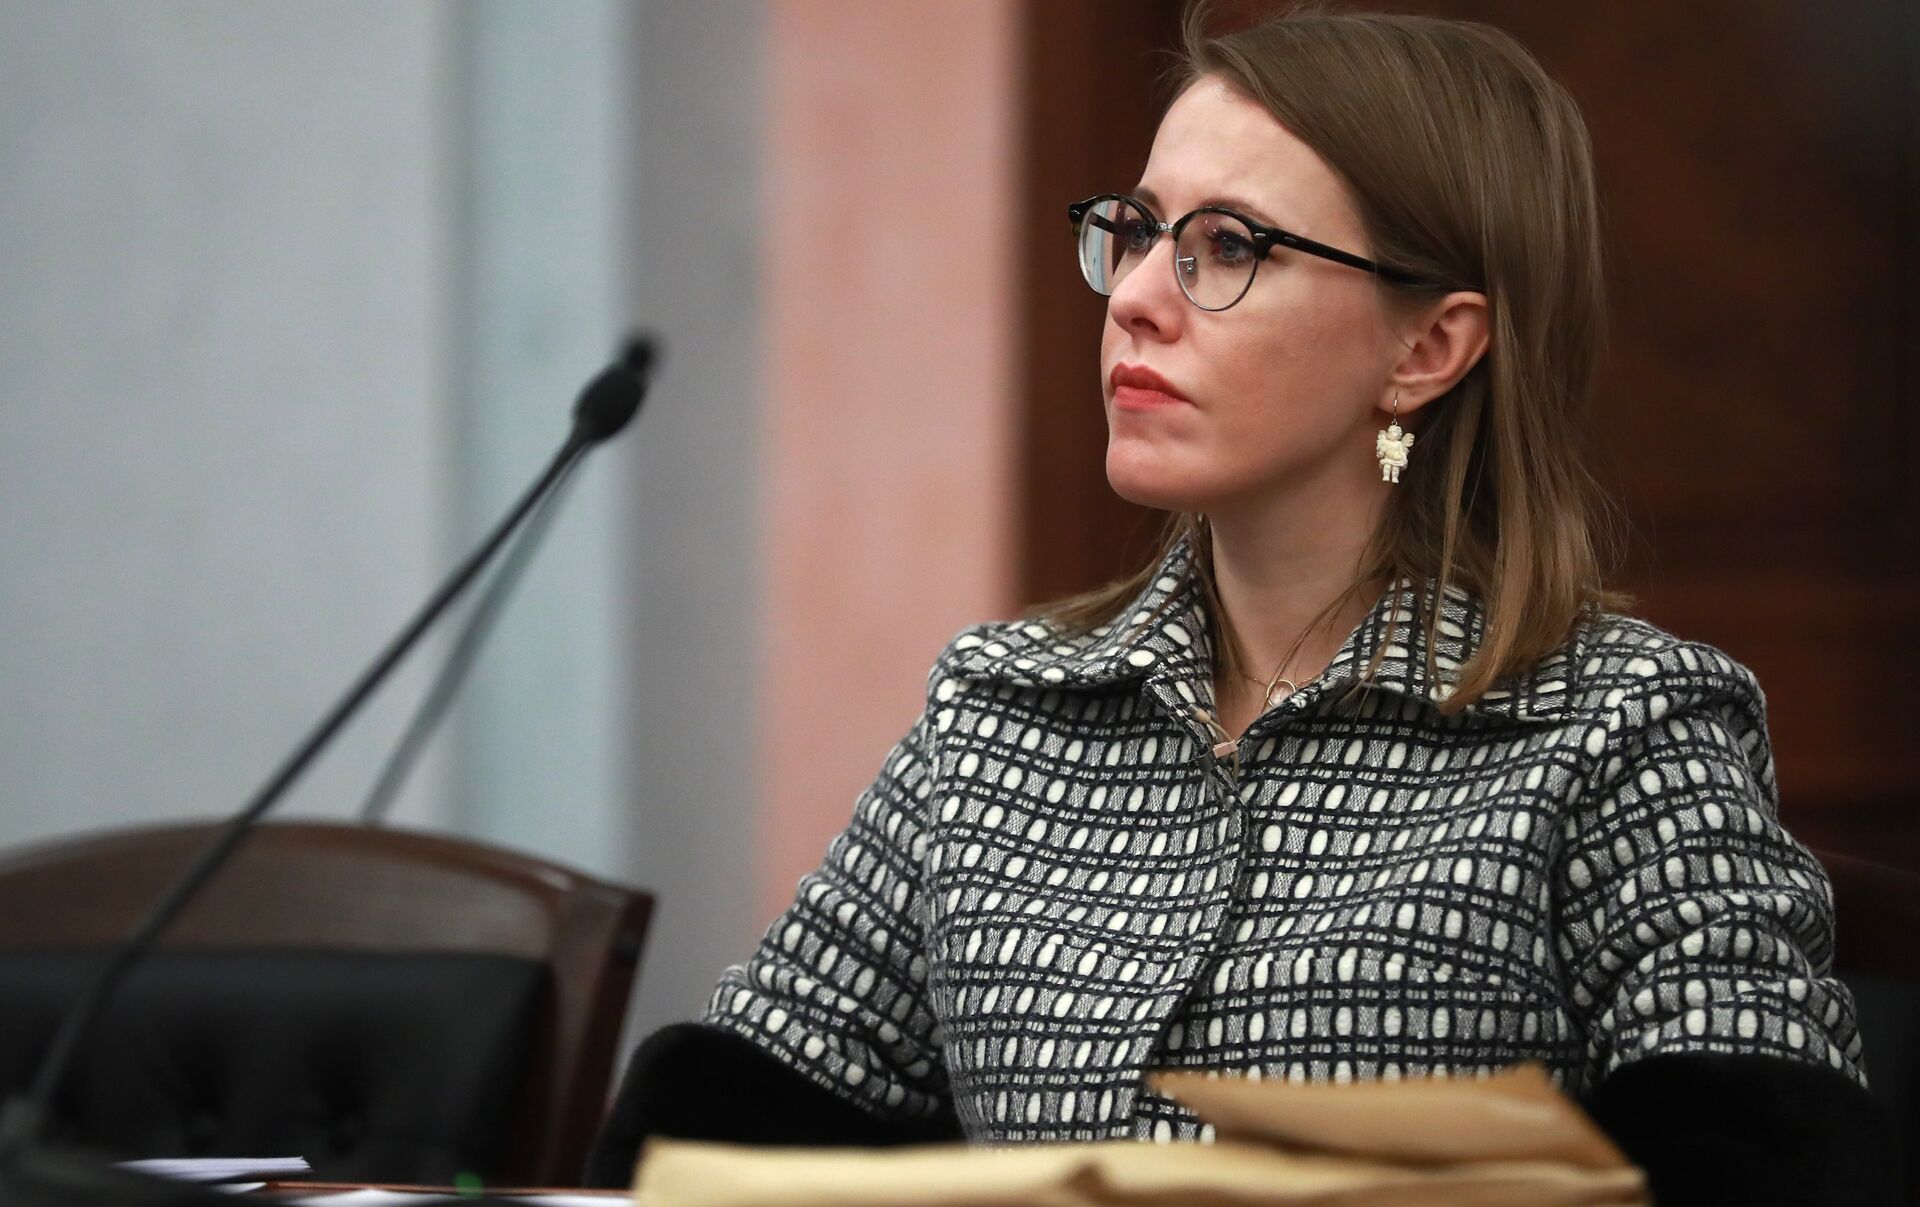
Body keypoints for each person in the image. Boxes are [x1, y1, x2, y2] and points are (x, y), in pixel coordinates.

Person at [586, 4, 1899, 1200]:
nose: (1136, 300)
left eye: (1228, 248)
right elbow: (708, 1137)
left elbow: (1770, 1164)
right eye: (1137, 233)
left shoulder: (1618, 729)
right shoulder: (1000, 713)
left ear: (1428, 347)